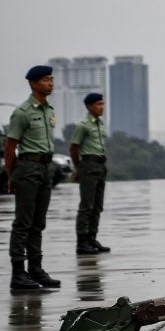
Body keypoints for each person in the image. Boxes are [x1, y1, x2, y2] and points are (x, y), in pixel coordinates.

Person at [5, 65, 62, 290]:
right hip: (27, 168)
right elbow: (10, 148)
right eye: (46, 79)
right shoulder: (22, 112)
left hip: (45, 169)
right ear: (33, 83)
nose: (51, 83)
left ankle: (35, 269)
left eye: (51, 79)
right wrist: (12, 176)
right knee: (23, 222)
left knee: (38, 223)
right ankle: (18, 273)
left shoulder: (49, 111)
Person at [70, 92, 111, 255]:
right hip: (88, 165)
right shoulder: (83, 125)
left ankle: (92, 238)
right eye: (98, 104)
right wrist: (78, 167)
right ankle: (82, 242)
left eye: (102, 104)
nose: (101, 107)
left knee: (97, 206)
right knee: (86, 206)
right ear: (89, 106)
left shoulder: (100, 124)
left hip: (100, 166)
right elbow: (74, 148)